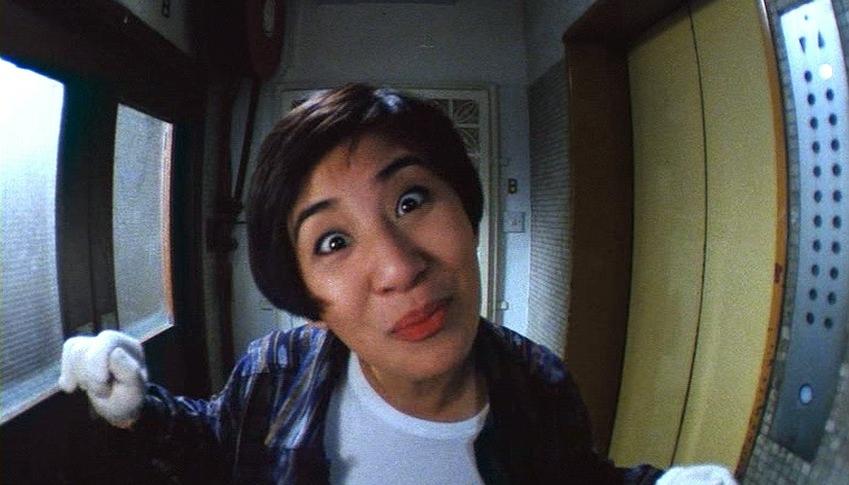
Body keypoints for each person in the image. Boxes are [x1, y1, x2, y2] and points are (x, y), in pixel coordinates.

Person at [59, 84, 736, 484]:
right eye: (333, 241)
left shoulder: (539, 385)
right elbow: (216, 443)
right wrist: (135, 407)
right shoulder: (274, 371)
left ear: (465, 210)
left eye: (411, 200)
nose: (398, 267)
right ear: (307, 299)